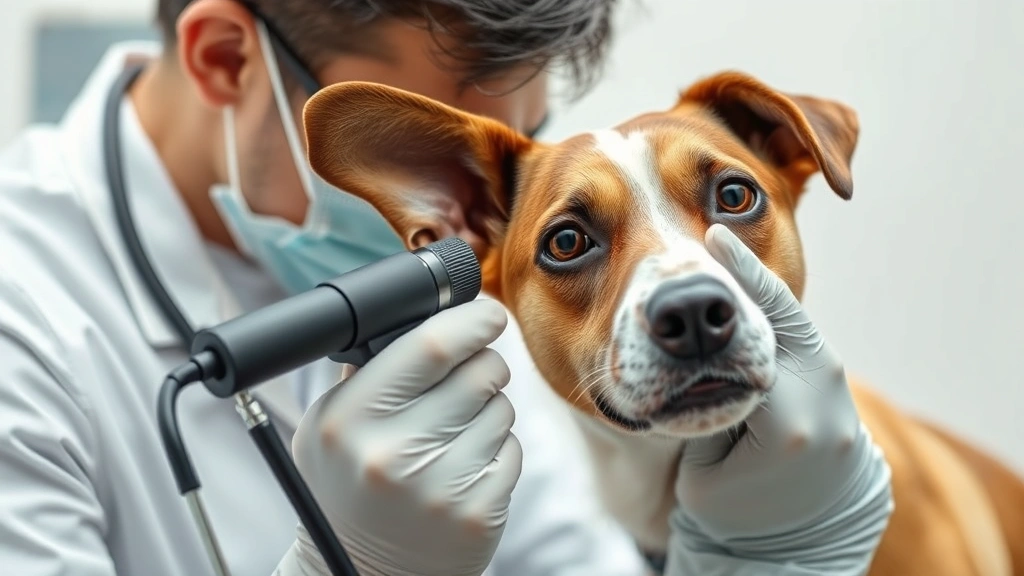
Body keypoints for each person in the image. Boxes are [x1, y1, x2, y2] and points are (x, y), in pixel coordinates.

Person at [0, 0, 894, 575]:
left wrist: (762, 560)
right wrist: (346, 570)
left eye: (527, 132)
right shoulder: (24, 322)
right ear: (228, 60)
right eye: (421, 153)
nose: (471, 209)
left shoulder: (481, 306)